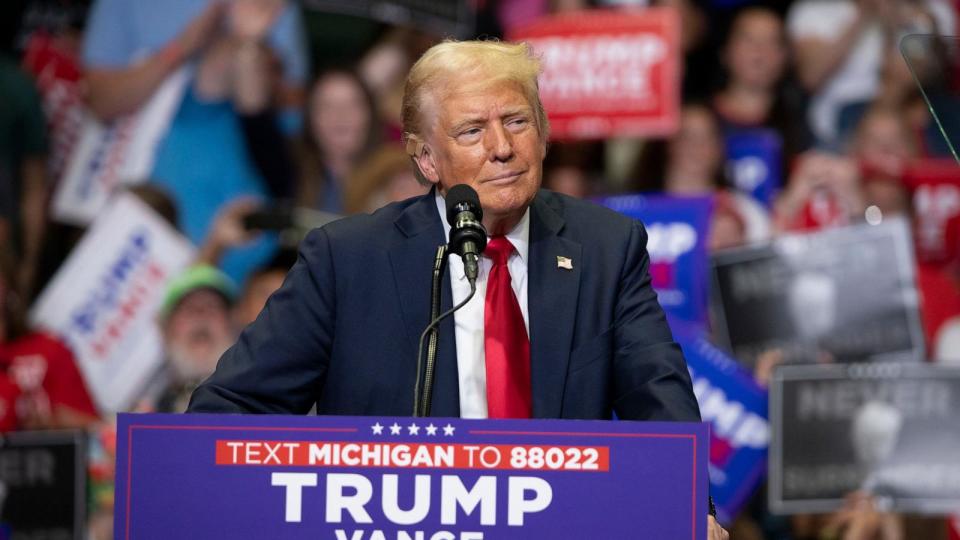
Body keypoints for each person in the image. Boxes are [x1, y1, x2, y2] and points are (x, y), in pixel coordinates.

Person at [188, 40, 725, 538]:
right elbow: (231, 407)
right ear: (426, 160)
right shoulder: (347, 259)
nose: (501, 148)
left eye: (517, 121)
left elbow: (659, 404)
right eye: (471, 131)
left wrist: (691, 509)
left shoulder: (606, 248)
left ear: (542, 134)